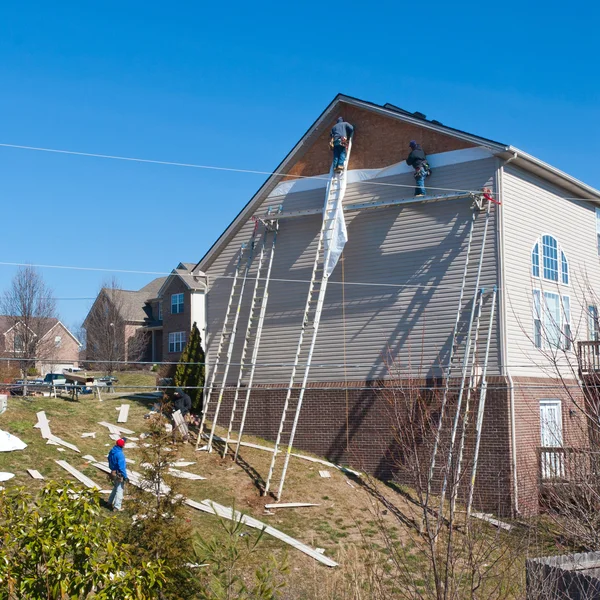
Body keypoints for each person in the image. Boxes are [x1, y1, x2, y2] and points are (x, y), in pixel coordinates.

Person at [107, 438, 128, 511]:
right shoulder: (120, 454)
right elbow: (122, 467)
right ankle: (117, 507)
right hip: (119, 474)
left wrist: (112, 468)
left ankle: (109, 502)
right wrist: (125, 476)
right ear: (122, 445)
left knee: (115, 488)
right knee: (120, 490)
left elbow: (109, 459)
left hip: (113, 472)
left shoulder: (112, 451)